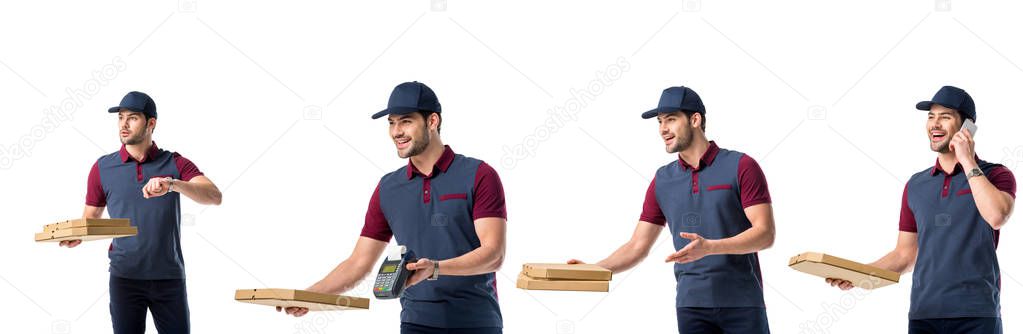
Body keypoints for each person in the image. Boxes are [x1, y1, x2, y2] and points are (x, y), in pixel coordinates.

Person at [281, 81, 508, 334]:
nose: (396, 131)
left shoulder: (479, 175)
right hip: (415, 324)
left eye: (406, 121)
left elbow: (494, 255)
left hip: (476, 324)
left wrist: (434, 268)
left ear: (432, 121)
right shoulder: (388, 188)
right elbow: (359, 263)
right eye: (391, 122)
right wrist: (309, 295)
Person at [826, 86, 1014, 334]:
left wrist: (967, 160)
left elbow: (997, 216)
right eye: (930, 116)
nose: (935, 124)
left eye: (945, 117)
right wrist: (860, 277)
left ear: (968, 127)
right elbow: (905, 254)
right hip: (924, 316)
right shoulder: (916, 185)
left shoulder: (996, 175)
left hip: (976, 315)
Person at [62, 91, 223, 334]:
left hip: (169, 278)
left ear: (151, 124)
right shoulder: (102, 167)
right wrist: (76, 234)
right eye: (120, 118)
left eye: (133, 118)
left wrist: (172, 184)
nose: (124, 124)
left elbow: (214, 196)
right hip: (124, 278)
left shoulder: (175, 163)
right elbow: (90, 218)